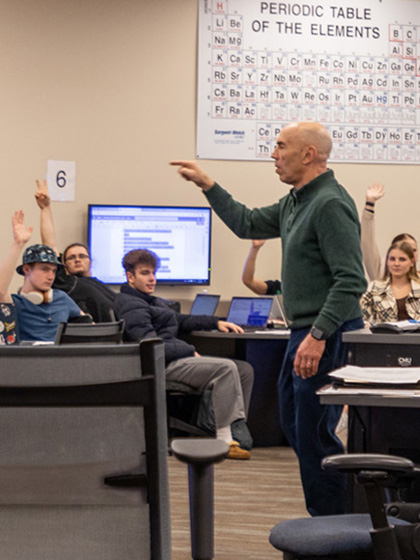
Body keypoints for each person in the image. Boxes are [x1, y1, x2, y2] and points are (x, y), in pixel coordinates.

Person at [171, 121, 367, 516]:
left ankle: (337, 527)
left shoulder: (329, 203)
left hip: (324, 333)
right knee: (297, 429)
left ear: (308, 154)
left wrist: (318, 335)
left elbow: (351, 280)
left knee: (313, 435)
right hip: (305, 332)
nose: (273, 154)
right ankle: (334, 517)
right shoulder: (296, 201)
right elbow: (246, 223)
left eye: (280, 146)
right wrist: (209, 185)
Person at [113, 248, 254, 460]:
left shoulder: (150, 301)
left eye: (153, 273)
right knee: (225, 368)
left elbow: (182, 320)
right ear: (130, 276)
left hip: (172, 358)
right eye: (145, 273)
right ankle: (225, 440)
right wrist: (189, 350)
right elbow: (150, 344)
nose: (152, 279)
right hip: (159, 365)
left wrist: (216, 322)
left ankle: (228, 427)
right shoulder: (131, 305)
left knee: (244, 370)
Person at [35, 180, 117, 322]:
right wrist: (45, 208)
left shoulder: (102, 286)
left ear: (90, 261)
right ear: (64, 265)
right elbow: (50, 244)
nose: (77, 259)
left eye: (82, 256)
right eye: (71, 258)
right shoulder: (67, 284)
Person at [0, 211, 85, 342]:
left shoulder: (62, 298)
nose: (51, 277)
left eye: (53, 271)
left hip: (59, 360)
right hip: (26, 360)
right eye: (45, 270)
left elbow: (91, 329)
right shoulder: (15, 303)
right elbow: (1, 290)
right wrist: (18, 243)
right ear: (27, 269)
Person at [361, 183, 419, 281]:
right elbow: (367, 242)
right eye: (406, 249)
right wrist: (369, 204)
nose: (411, 253)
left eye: (414, 250)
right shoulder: (380, 274)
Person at [361, 240, 420, 324]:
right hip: (384, 336)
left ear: (412, 262)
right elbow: (361, 317)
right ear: (387, 262)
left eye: (402, 259)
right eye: (392, 259)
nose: (396, 264)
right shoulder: (374, 288)